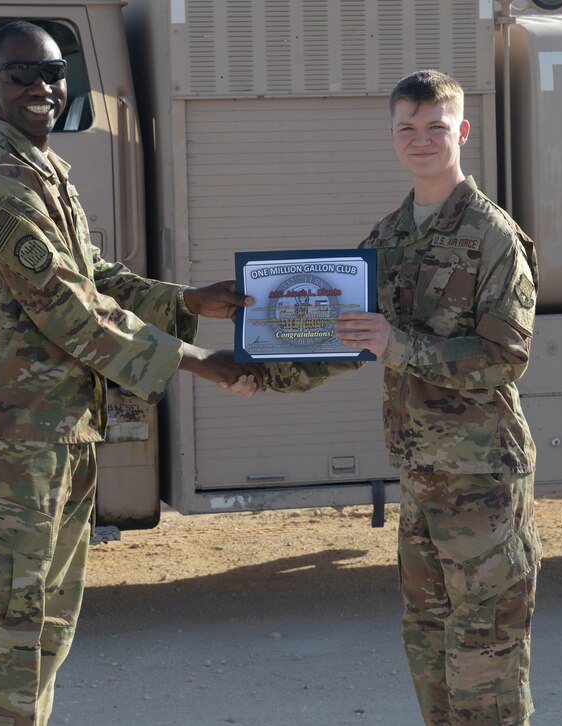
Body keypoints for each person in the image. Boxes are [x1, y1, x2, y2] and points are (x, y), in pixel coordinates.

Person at [0, 22, 253, 726]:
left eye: (52, 71)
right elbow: (70, 312)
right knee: (5, 637)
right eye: (20, 76)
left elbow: (92, 277)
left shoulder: (43, 170)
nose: (41, 88)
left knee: (42, 633)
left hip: (48, 437)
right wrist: (199, 362)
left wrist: (186, 302)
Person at [231, 69, 541, 725]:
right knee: (428, 646)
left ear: (462, 131)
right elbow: (342, 338)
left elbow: (505, 358)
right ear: (392, 137)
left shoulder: (492, 236)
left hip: (482, 477)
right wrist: (262, 371)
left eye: (435, 127)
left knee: (484, 656)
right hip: (423, 476)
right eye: (407, 128)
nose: (420, 139)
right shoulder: (390, 237)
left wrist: (397, 344)